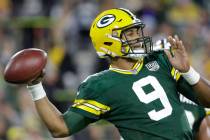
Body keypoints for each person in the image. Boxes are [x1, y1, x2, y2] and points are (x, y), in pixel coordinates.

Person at [24, 8, 210, 140]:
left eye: (138, 32)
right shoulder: (100, 85)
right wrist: (35, 86)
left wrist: (188, 71)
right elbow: (60, 128)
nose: (138, 38)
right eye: (129, 34)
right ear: (108, 41)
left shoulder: (160, 59)